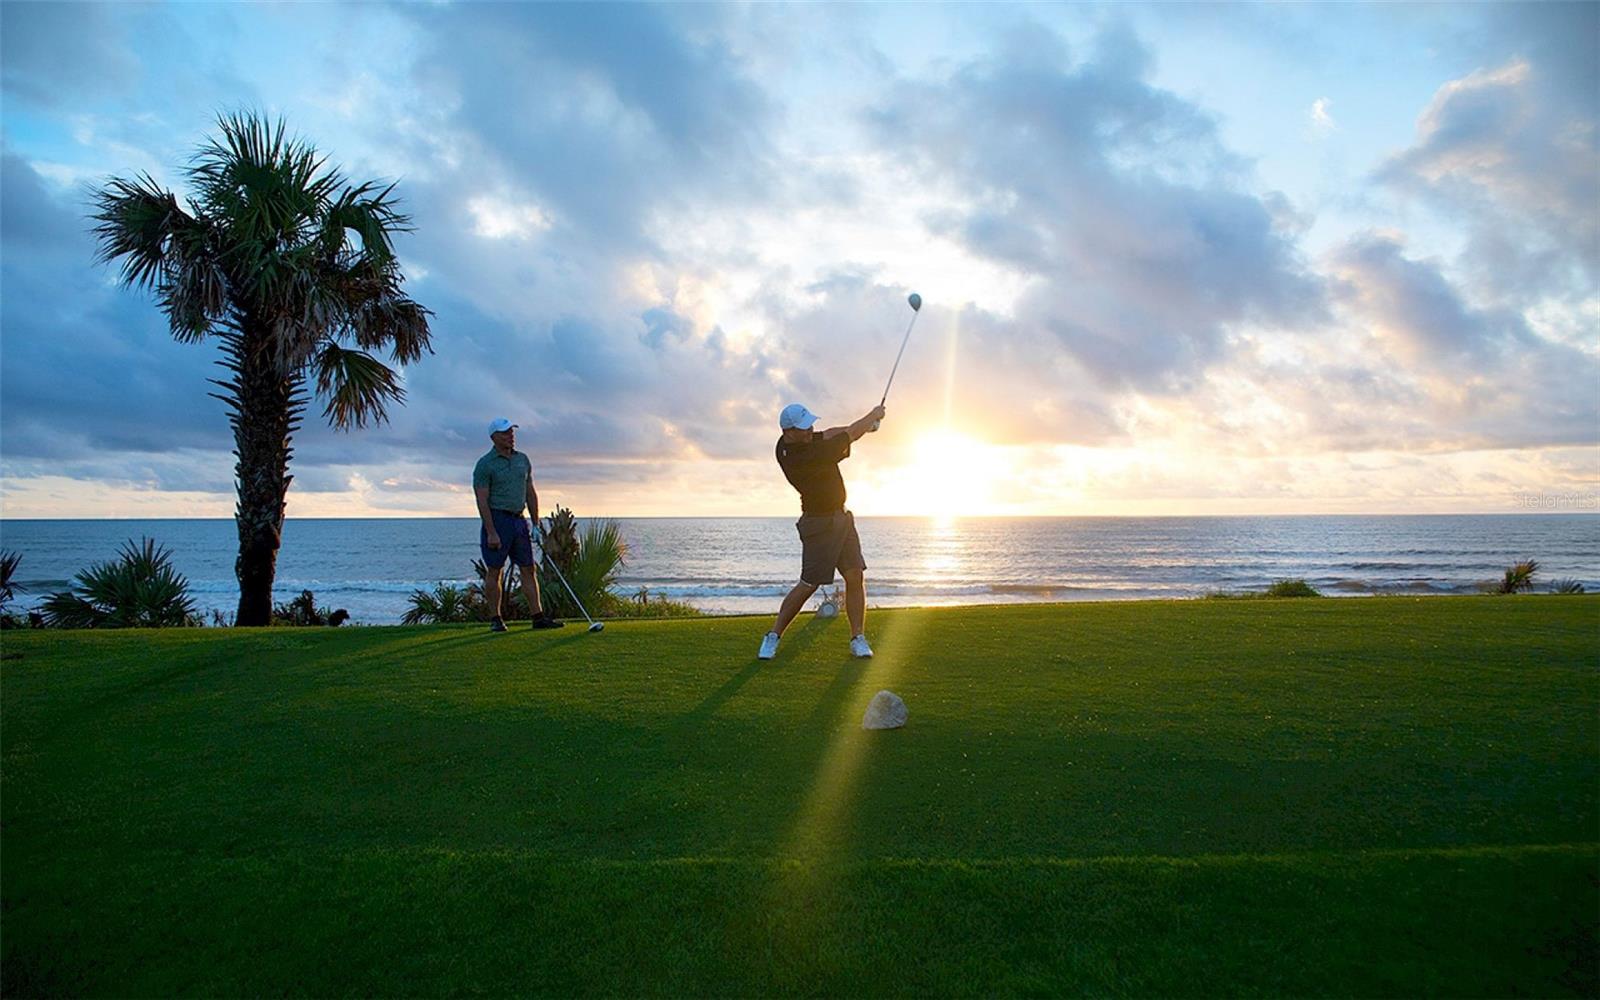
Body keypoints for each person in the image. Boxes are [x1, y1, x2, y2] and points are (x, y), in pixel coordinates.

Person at [758, 401, 885, 660]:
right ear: (789, 432)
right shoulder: (805, 456)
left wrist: (867, 426)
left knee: (855, 575)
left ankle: (857, 638)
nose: (810, 430)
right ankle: (773, 636)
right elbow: (848, 435)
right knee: (809, 584)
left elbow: (828, 433)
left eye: (809, 426)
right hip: (818, 523)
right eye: (804, 428)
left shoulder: (791, 442)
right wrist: (872, 416)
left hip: (842, 518)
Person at [473, 418, 563, 632]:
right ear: (494, 437)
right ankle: (495, 618)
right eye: (505, 433)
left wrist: (535, 524)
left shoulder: (522, 459)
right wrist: (491, 531)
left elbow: (530, 492)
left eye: (511, 432)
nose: (510, 436)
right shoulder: (485, 464)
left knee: (528, 568)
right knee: (495, 570)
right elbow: (482, 500)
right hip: (497, 520)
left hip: (519, 520)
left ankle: (538, 617)